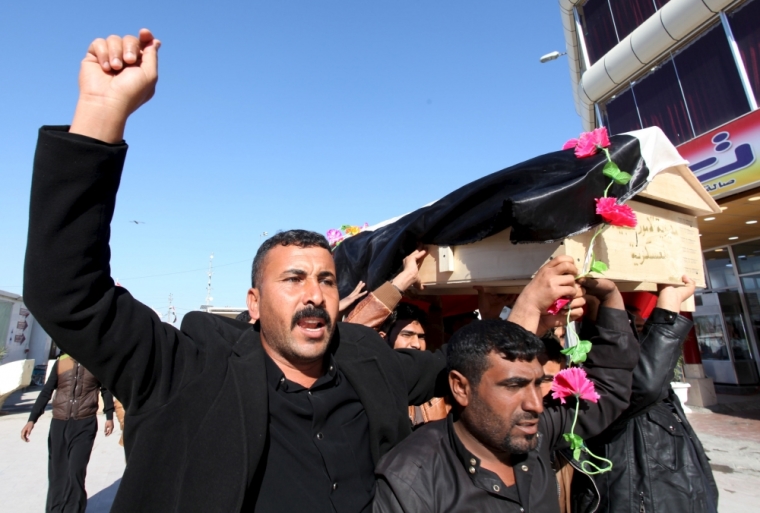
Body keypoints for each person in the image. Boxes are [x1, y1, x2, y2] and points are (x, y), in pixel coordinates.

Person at [23, 29, 584, 512]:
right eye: (293, 280)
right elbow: (68, 293)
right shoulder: (189, 368)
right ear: (253, 302)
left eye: (326, 280)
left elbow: (463, 374)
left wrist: (528, 311)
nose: (315, 295)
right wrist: (101, 113)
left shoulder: (371, 365)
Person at [372, 278, 639, 513]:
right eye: (514, 386)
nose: (536, 404)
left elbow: (607, 390)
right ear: (461, 387)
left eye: (537, 384)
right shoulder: (411, 477)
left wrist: (609, 299)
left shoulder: (535, 433)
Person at [573, 276, 719, 513]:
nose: (639, 337)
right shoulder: (597, 387)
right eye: (636, 329)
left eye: (642, 329)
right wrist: (668, 310)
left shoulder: (654, 387)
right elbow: (642, 385)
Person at [21, 354, 114, 513]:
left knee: (76, 471)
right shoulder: (61, 363)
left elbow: (106, 390)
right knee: (58, 473)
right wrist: (32, 419)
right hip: (59, 424)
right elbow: (47, 391)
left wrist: (109, 416)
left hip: (85, 424)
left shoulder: (95, 361)